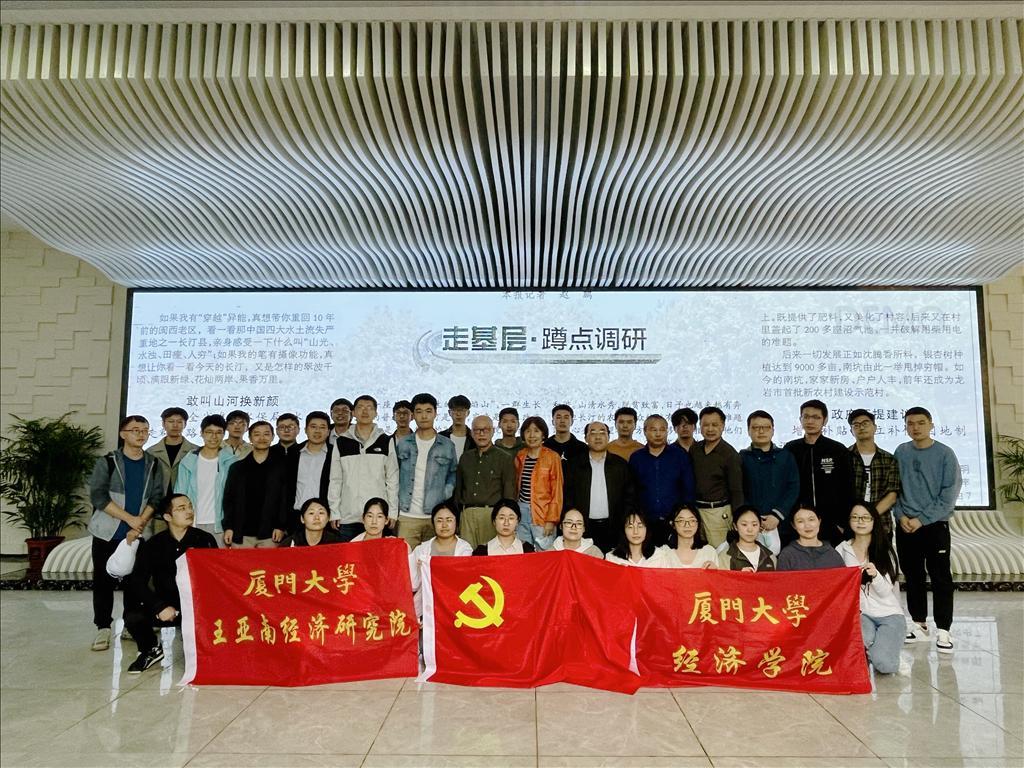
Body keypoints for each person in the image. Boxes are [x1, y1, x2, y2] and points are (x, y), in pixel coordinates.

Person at [87, 415, 165, 652]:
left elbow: (157, 497)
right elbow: (98, 496)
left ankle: (131, 624)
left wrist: (140, 522)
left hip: (139, 532)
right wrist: (129, 519)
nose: (141, 434)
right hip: (108, 532)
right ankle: (103, 627)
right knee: (103, 581)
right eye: (135, 430)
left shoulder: (153, 463)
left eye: (145, 430)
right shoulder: (108, 461)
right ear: (123, 434)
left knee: (136, 583)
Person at [122, 493, 217, 673]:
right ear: (167, 516)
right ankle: (150, 649)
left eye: (190, 506)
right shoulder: (154, 544)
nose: (189, 511)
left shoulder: (205, 540)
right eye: (181, 508)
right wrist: (159, 606)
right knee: (133, 612)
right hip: (166, 605)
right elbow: (138, 581)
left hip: (197, 604)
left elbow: (216, 578)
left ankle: (206, 646)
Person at [893, 406, 962, 653]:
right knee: (913, 576)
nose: (916, 428)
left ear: (931, 424)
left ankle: (944, 629)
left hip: (934, 526)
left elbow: (949, 494)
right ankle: (919, 624)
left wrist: (922, 520)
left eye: (921, 423)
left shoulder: (945, 453)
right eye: (910, 423)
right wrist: (901, 515)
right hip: (906, 526)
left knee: (941, 577)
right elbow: (895, 488)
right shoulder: (901, 451)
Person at [837, 503, 906, 674]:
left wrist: (875, 576)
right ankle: (873, 649)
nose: (860, 521)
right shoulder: (841, 549)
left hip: (889, 614)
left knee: (885, 665)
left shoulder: (885, 550)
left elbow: (885, 592)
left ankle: (885, 652)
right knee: (860, 642)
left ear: (874, 521)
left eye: (865, 518)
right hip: (860, 614)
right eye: (855, 517)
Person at [327, 394, 400, 541]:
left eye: (369, 408)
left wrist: (392, 512)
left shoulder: (385, 441)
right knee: (349, 555)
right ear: (353, 413)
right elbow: (335, 480)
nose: (365, 411)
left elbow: (392, 479)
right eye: (360, 407)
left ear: (376, 413)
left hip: (377, 516)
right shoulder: (342, 442)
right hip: (348, 515)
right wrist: (334, 511)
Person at [784, 399, 854, 545]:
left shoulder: (837, 449)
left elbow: (848, 487)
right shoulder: (791, 449)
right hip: (799, 523)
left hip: (832, 524)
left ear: (825, 420)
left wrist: (842, 523)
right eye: (806, 417)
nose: (810, 421)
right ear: (800, 419)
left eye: (816, 417)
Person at [395, 393, 457, 547]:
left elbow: (453, 475)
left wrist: (443, 495)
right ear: (413, 415)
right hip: (406, 515)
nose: (424, 416)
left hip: (435, 516)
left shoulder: (447, 445)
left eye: (428, 411)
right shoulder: (403, 443)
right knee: (406, 558)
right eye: (419, 411)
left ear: (435, 413)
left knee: (433, 559)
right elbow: (394, 474)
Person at [563, 421, 633, 553]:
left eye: (602, 432)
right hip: (583, 527)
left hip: (613, 527)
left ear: (608, 437)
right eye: (593, 433)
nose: (598, 437)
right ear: (586, 438)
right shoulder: (574, 465)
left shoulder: (620, 465)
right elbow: (567, 496)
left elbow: (629, 497)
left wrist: (623, 521)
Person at [628, 414, 695, 545]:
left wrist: (684, 515)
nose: (658, 434)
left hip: (675, 521)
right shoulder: (636, 458)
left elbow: (688, 488)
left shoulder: (679, 455)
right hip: (644, 522)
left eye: (662, 429)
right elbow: (632, 491)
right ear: (645, 431)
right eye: (654, 430)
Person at [740, 410, 799, 555]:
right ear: (748, 430)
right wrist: (753, 517)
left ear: (773, 430)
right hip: (750, 524)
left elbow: (793, 487)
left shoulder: (785, 456)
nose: (761, 431)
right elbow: (738, 490)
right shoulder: (741, 457)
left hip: (781, 523)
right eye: (755, 427)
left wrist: (777, 515)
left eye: (766, 427)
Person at [174, 414, 238, 547]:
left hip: (220, 525)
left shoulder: (231, 461)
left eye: (218, 432)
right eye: (209, 432)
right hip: (192, 523)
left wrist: (231, 525)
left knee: (219, 559)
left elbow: (235, 497)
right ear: (201, 433)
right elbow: (179, 494)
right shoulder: (189, 460)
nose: (214, 437)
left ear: (224, 434)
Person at [453, 415, 516, 548]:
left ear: (493, 431)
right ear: (471, 433)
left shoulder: (504, 458)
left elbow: (509, 493)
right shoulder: (465, 457)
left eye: (485, 430)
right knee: (466, 555)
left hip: (491, 515)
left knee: (490, 555)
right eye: (477, 430)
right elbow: (458, 490)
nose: (481, 434)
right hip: (467, 515)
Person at [222, 420, 287, 547]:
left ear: (273, 437)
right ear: (250, 438)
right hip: (241, 533)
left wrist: (281, 526)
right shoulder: (237, 468)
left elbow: (285, 499)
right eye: (257, 434)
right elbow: (229, 500)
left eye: (266, 434)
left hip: (270, 533)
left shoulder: (282, 467)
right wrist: (229, 527)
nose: (262, 438)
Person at [689, 406, 744, 548]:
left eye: (715, 425)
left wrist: (738, 518)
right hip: (696, 512)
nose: (710, 429)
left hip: (719, 513)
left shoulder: (730, 454)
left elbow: (736, 490)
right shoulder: (695, 449)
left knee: (719, 553)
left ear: (723, 426)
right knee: (698, 552)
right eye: (705, 425)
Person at [411, 501, 474, 615]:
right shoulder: (422, 550)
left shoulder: (465, 549)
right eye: (439, 520)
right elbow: (413, 585)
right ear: (433, 523)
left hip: (455, 607)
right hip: (426, 608)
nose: (444, 525)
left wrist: (433, 568)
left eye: (449, 520)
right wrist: (421, 570)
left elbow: (463, 582)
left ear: (456, 522)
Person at [847, 409, 901, 535]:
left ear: (875, 428)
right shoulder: (844, 457)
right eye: (856, 425)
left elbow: (892, 495)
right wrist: (857, 519)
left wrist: (868, 517)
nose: (861, 427)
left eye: (865, 423)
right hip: (850, 524)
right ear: (851, 431)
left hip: (881, 524)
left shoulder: (889, 459)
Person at [514, 416, 563, 550]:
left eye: (536, 431)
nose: (532, 435)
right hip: (521, 511)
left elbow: (557, 492)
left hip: (543, 513)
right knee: (523, 551)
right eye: (528, 431)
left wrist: (551, 520)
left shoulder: (552, 457)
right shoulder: (520, 455)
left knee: (544, 553)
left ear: (543, 434)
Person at [283, 411, 334, 533]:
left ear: (328, 432)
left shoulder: (334, 454)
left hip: (325, 518)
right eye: (313, 427)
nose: (317, 431)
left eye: (322, 427)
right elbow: (285, 488)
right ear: (305, 430)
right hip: (295, 517)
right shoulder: (293, 453)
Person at [146, 406, 198, 496]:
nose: (175, 425)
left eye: (179, 422)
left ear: (185, 424)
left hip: (185, 500)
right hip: (157, 500)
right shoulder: (151, 452)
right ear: (163, 424)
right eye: (171, 421)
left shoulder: (195, 451)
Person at [777, 506, 845, 570]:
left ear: (819, 521)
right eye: (800, 521)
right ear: (794, 525)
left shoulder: (832, 553)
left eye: (811, 519)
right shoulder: (787, 555)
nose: (807, 525)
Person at [652, 503, 718, 569]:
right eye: (681, 521)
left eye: (692, 521)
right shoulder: (663, 553)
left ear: (698, 523)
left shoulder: (709, 552)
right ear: (672, 524)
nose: (687, 525)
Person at [717, 505, 777, 571]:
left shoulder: (770, 557)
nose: (750, 530)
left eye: (754, 525)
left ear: (760, 526)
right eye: (744, 524)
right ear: (735, 526)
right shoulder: (725, 557)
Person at [439, 394, 471, 460]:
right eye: (454, 410)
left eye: (462, 410)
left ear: (468, 413)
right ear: (449, 412)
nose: (458, 414)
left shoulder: (474, 437)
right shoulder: (440, 437)